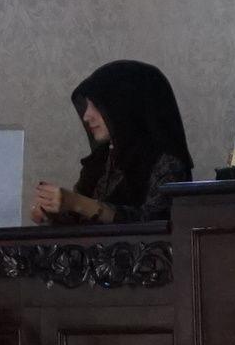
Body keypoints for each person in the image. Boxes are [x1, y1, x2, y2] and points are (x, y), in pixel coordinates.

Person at [31, 59, 195, 222]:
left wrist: (78, 203)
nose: (86, 116)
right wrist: (51, 211)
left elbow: (154, 223)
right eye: (86, 106)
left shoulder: (166, 163)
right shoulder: (100, 161)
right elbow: (82, 225)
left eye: (96, 105)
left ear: (124, 107)